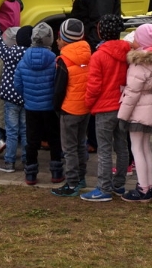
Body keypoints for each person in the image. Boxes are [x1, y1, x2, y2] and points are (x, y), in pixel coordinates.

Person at [81, 14, 132, 202]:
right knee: (122, 146)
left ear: (101, 31)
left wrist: (88, 103)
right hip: (123, 104)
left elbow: (94, 86)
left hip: (104, 108)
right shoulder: (128, 52)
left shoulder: (99, 56)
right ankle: (119, 184)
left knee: (104, 149)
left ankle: (103, 188)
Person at [117, 23, 152, 202]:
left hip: (138, 110)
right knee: (146, 148)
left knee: (136, 148)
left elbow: (132, 93)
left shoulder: (139, 64)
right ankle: (149, 186)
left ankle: (143, 188)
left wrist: (122, 115)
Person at [14, 22, 64, 185]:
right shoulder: (55, 60)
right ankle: (56, 172)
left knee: (32, 141)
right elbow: (58, 84)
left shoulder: (24, 60)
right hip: (50, 108)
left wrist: (28, 96)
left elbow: (17, 84)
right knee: (54, 139)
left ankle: (31, 174)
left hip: (31, 107)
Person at [51, 19, 93, 197]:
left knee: (69, 149)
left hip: (69, 109)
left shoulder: (64, 60)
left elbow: (59, 88)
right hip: (85, 107)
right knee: (80, 145)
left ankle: (71, 183)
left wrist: (56, 107)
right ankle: (81, 178)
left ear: (63, 37)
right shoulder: (89, 53)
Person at [0, 9, 29, 174]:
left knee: (12, 132)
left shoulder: (9, 53)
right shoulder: (31, 53)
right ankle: (28, 161)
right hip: (27, 98)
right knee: (25, 131)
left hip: (10, 100)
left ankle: (10, 163)